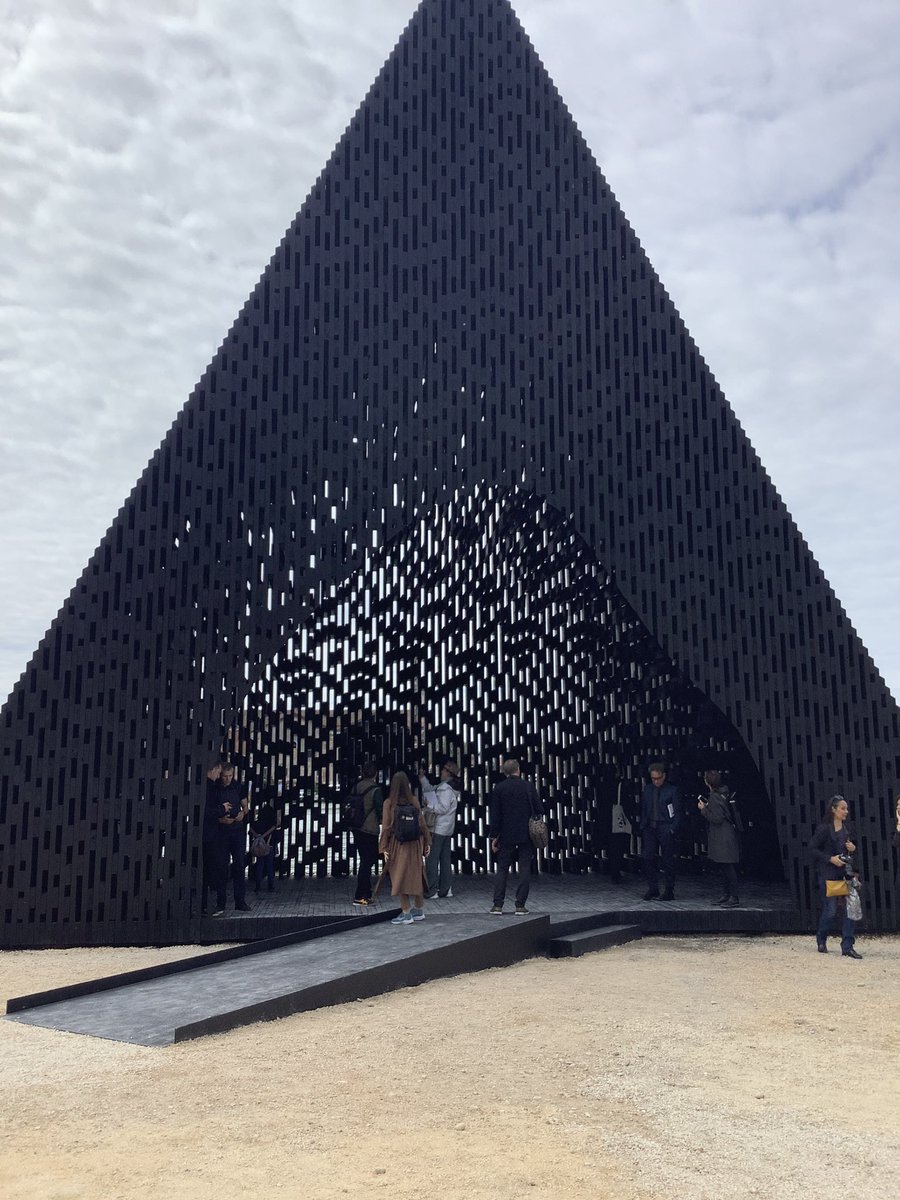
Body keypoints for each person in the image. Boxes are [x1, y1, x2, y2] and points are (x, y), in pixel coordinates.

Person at [809, 794, 861, 958]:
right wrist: (830, 859)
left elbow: (851, 850)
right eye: (842, 808)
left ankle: (847, 946)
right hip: (828, 873)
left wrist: (852, 848)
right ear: (834, 809)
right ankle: (821, 938)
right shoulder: (824, 829)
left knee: (849, 910)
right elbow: (812, 849)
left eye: (846, 808)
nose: (846, 811)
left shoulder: (848, 828)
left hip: (845, 874)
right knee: (830, 910)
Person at [488, 759, 542, 915]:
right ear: (518, 770)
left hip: (506, 835)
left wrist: (494, 837)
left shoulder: (499, 788)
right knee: (524, 868)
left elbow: (496, 816)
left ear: (505, 772)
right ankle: (520, 905)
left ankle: (497, 905)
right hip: (526, 834)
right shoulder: (528, 786)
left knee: (502, 868)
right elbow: (539, 808)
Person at [379, 771, 431, 924]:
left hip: (398, 844)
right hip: (414, 844)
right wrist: (427, 842)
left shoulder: (389, 803)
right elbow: (422, 824)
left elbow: (386, 827)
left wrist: (383, 848)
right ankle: (419, 910)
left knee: (399, 876)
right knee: (416, 875)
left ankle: (406, 912)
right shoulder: (413, 800)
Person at [206, 761, 251, 916]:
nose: (227, 779)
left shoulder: (239, 787)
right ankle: (221, 902)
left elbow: (246, 807)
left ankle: (240, 901)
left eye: (230, 776)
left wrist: (242, 814)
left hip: (237, 831)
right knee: (221, 868)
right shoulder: (214, 788)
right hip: (221, 833)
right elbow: (209, 811)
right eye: (224, 776)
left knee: (239, 866)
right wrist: (221, 820)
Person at [697, 769, 741, 907]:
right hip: (727, 834)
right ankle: (727, 895)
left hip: (722, 836)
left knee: (727, 867)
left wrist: (703, 809)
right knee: (725, 866)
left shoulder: (714, 797)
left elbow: (717, 818)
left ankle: (733, 897)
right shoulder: (724, 793)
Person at [639, 762, 683, 901]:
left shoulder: (672, 790)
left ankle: (669, 889)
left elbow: (678, 812)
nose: (656, 781)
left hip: (665, 827)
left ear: (664, 776)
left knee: (667, 860)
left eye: (658, 778)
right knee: (648, 857)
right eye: (653, 778)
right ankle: (653, 888)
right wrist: (643, 825)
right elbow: (644, 808)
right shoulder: (647, 789)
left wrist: (671, 829)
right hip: (650, 827)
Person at [420, 761, 461, 899]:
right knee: (445, 859)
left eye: (443, 770)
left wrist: (429, 806)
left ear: (448, 773)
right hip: (448, 829)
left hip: (438, 828)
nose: (441, 772)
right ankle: (445, 889)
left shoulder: (445, 789)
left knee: (432, 859)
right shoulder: (452, 788)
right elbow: (430, 789)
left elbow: (442, 808)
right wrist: (422, 778)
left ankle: (432, 890)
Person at [350, 760, 383, 907]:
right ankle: (361, 895)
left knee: (364, 859)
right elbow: (379, 810)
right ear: (375, 774)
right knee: (367, 862)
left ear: (363, 773)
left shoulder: (356, 787)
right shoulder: (376, 790)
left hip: (357, 828)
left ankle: (366, 892)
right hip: (370, 829)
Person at [248, 795, 280, 894]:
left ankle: (258, 885)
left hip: (259, 847)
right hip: (268, 846)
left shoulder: (257, 823)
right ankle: (270, 885)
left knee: (259, 865)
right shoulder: (271, 824)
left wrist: (258, 836)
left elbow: (250, 831)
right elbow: (276, 834)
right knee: (270, 865)